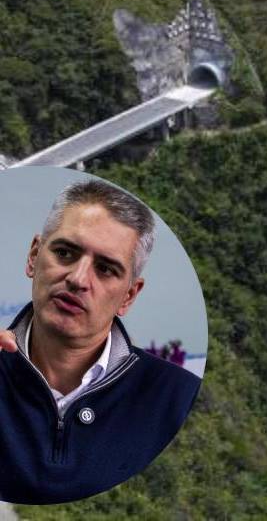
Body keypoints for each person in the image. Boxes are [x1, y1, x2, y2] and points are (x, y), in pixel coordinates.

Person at [0, 179, 201, 504]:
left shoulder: (175, 398)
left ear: (129, 295)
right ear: (34, 256)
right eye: (64, 253)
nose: (78, 279)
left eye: (106, 269)